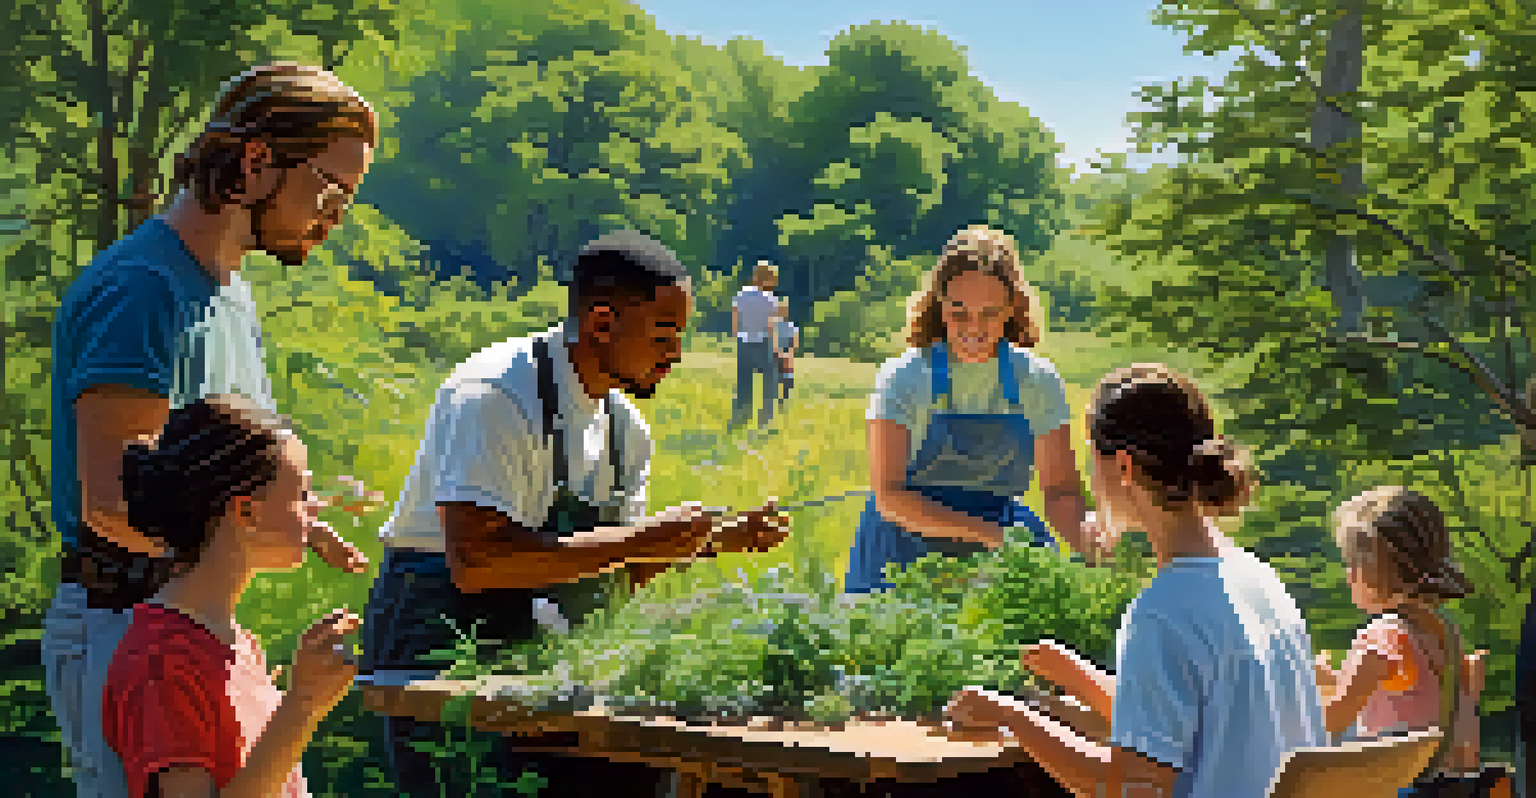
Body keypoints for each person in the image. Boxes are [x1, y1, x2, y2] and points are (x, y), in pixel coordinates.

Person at [44, 62, 374, 798]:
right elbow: (110, 502)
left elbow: (195, 481)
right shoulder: (142, 292)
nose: (337, 215)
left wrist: (288, 515)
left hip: (196, 627)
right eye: (330, 188)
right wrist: (243, 536)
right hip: (127, 629)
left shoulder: (230, 296)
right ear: (257, 161)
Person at [364, 230, 792, 797]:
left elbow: (611, 574)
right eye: (664, 334)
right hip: (438, 625)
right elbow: (477, 562)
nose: (677, 353)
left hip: (542, 635)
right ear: (600, 323)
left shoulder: (626, 431)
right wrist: (646, 538)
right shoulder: (495, 396)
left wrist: (704, 541)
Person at [945, 364, 1326, 797]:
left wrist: (1013, 719)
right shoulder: (1257, 579)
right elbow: (1199, 721)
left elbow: (1133, 786)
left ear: (1124, 467)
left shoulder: (1163, 613)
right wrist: (1079, 678)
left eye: (1091, 455)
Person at [102, 394, 359, 798]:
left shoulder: (233, 643)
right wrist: (302, 706)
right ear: (247, 513)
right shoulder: (161, 663)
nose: (315, 513)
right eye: (303, 495)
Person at [843, 225, 1100, 595]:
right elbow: (890, 497)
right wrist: (993, 537)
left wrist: (1092, 551)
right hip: (900, 553)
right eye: (959, 312)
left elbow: (1060, 490)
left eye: (989, 313)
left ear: (1012, 308)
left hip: (997, 543)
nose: (973, 328)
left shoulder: (1037, 380)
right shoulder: (905, 377)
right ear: (939, 304)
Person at [1315, 486, 1489, 795]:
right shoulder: (1445, 631)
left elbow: (1332, 720)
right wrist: (1335, 680)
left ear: (1377, 570)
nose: (1347, 575)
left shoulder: (1382, 637)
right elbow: (1406, 692)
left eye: (1352, 563)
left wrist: (1300, 690)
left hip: (1394, 787)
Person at [730, 259, 783, 430]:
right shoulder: (771, 299)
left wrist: (737, 336)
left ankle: (740, 418)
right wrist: (776, 348)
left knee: (744, 383)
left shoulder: (742, 294)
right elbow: (772, 326)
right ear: (767, 278)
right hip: (763, 342)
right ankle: (765, 420)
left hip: (744, 342)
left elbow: (735, 319)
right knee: (769, 382)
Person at [775, 299, 799, 411]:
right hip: (775, 352)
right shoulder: (773, 326)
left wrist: (787, 353)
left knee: (787, 375)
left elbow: (794, 343)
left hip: (786, 352)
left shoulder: (791, 327)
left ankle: (784, 399)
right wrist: (777, 351)